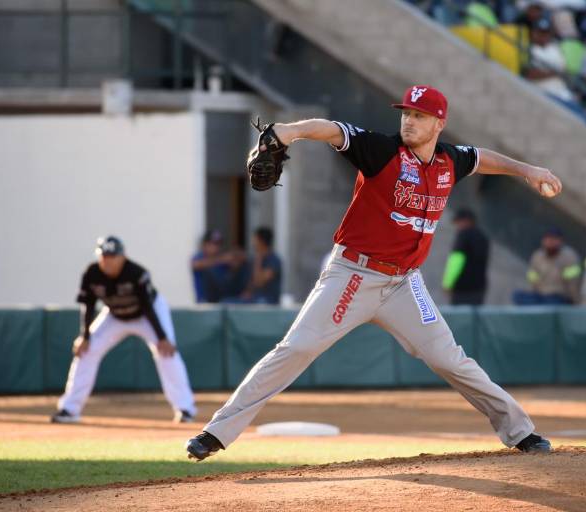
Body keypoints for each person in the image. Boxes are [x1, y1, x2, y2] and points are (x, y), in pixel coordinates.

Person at [185, 84, 561, 460]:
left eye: (419, 116)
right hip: (353, 274)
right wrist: (289, 131)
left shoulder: (449, 161)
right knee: (296, 348)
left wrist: (527, 170)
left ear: (439, 124)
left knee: (451, 359)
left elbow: (481, 158)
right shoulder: (382, 152)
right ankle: (216, 432)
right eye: (406, 113)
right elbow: (332, 129)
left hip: (405, 284)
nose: (409, 121)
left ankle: (521, 432)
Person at [51, 236, 196, 424]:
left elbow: (147, 306)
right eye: (104, 256)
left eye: (113, 256)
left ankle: (185, 408)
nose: (108, 261)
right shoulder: (92, 273)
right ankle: (69, 409)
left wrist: (162, 337)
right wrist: (84, 336)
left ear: (123, 256)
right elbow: (88, 305)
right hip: (115, 315)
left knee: (167, 353)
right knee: (86, 350)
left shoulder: (136, 273)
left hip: (147, 314)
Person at [523, 19, 586, 127]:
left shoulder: (554, 48)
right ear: (533, 33)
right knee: (581, 119)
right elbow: (530, 75)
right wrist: (555, 72)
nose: (543, 36)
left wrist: (554, 73)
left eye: (546, 33)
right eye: (540, 32)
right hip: (544, 92)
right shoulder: (529, 49)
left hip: (563, 92)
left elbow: (564, 71)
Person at [513, 227, 581, 304]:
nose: (550, 242)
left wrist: (576, 302)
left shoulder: (569, 257)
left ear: (560, 241)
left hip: (559, 297)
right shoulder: (537, 256)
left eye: (554, 239)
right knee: (517, 295)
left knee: (552, 302)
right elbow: (533, 280)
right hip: (540, 295)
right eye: (548, 239)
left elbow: (573, 285)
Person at [441, 209, 490, 305]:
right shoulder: (482, 236)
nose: (457, 226)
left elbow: (456, 261)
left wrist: (447, 284)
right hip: (479, 288)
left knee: (459, 317)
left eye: (458, 222)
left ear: (466, 221)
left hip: (462, 288)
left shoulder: (463, 236)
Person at [191, 229, 248, 303]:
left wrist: (236, 256)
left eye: (219, 244)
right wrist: (222, 259)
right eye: (214, 244)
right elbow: (196, 264)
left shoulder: (220, 257)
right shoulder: (199, 257)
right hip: (204, 301)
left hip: (221, 301)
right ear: (205, 244)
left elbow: (240, 261)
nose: (217, 247)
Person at [239, 227, 283, 305]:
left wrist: (259, 259)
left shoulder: (274, 260)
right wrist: (247, 292)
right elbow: (252, 283)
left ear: (261, 241)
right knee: (228, 302)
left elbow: (259, 282)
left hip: (268, 300)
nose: (253, 243)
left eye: (255, 239)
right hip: (255, 298)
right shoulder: (254, 259)